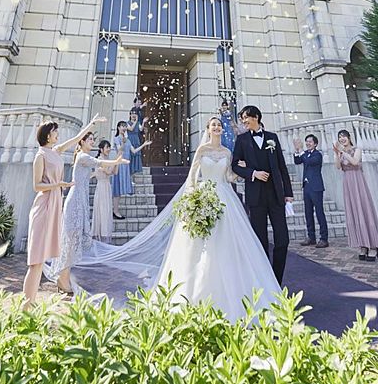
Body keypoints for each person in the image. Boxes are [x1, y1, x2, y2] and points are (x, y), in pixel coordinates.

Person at [73, 116, 281, 322]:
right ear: (208, 129)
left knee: (227, 242)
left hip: (225, 199)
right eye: (213, 125)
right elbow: (193, 176)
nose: (217, 127)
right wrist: (193, 197)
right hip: (205, 195)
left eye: (219, 125)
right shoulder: (202, 150)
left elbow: (228, 177)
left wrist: (240, 171)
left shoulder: (227, 152)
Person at [23, 116, 103, 306]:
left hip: (55, 205)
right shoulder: (40, 156)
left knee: (41, 261)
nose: (58, 134)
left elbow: (76, 139)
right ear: (48, 136)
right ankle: (26, 305)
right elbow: (37, 185)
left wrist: (91, 124)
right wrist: (58, 184)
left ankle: (30, 304)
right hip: (44, 206)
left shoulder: (56, 151)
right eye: (55, 132)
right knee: (36, 262)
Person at [48, 131, 128, 294]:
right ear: (82, 142)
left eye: (93, 139)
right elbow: (98, 162)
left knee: (73, 241)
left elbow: (96, 168)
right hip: (75, 202)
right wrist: (116, 160)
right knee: (70, 241)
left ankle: (63, 277)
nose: (92, 142)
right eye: (89, 139)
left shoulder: (84, 157)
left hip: (81, 201)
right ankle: (62, 278)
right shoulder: (83, 157)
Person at [232, 105, 293, 285]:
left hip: (276, 195)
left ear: (256, 117)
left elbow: (282, 167)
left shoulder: (272, 138)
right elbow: (234, 165)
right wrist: (253, 173)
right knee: (260, 241)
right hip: (256, 196)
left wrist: (288, 193)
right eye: (242, 119)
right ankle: (265, 282)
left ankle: (276, 280)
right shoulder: (242, 140)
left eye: (246, 117)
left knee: (282, 240)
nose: (244, 121)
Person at [333, 129, 378, 261]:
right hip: (348, 183)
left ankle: (373, 246)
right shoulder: (341, 152)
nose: (342, 139)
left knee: (364, 210)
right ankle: (362, 244)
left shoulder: (357, 149)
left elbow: (355, 162)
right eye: (340, 137)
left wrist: (344, 153)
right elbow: (338, 167)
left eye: (344, 136)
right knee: (354, 212)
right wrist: (337, 154)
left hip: (358, 182)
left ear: (349, 137)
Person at [293, 134, 329, 248]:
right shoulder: (306, 154)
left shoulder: (317, 155)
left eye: (310, 142)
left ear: (315, 144)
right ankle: (311, 237)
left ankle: (324, 238)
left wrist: (301, 151)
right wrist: (297, 150)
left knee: (319, 212)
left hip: (316, 187)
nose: (308, 143)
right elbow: (297, 161)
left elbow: (308, 161)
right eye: (306, 141)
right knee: (308, 212)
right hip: (307, 186)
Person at [112, 121, 151, 219]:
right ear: (118, 127)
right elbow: (119, 150)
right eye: (122, 126)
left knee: (120, 190)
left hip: (125, 166)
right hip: (119, 165)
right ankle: (115, 211)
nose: (124, 128)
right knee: (117, 190)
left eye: (125, 126)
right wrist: (123, 142)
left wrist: (143, 145)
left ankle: (115, 210)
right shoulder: (116, 139)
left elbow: (133, 151)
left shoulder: (128, 140)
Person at [91, 140, 118, 243]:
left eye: (109, 147)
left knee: (106, 211)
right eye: (107, 147)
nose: (109, 149)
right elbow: (108, 171)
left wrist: (117, 162)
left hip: (107, 186)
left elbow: (115, 172)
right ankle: (101, 236)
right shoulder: (99, 160)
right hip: (101, 187)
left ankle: (105, 235)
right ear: (101, 149)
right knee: (102, 211)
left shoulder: (107, 160)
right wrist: (116, 161)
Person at [127, 108, 145, 174]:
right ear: (130, 115)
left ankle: (134, 171)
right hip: (130, 139)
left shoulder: (138, 123)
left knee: (136, 155)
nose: (134, 115)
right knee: (130, 155)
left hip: (136, 139)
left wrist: (143, 122)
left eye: (135, 114)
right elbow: (131, 129)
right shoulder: (127, 123)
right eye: (132, 114)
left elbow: (141, 129)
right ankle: (130, 172)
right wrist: (135, 121)